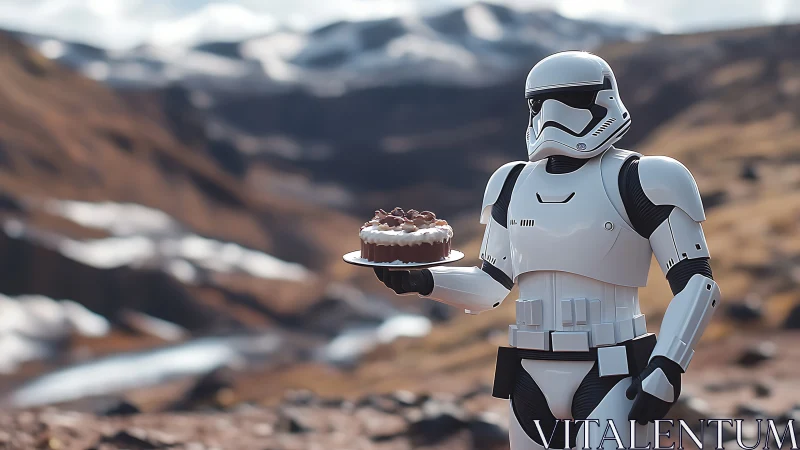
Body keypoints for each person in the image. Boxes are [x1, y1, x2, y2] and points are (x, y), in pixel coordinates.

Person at [373, 51, 720, 449]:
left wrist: (668, 364)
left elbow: (697, 284)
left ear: (603, 101)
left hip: (611, 369)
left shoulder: (644, 179)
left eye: (572, 100)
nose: (553, 116)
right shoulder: (510, 182)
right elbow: (491, 285)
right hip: (528, 373)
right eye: (541, 103)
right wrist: (422, 279)